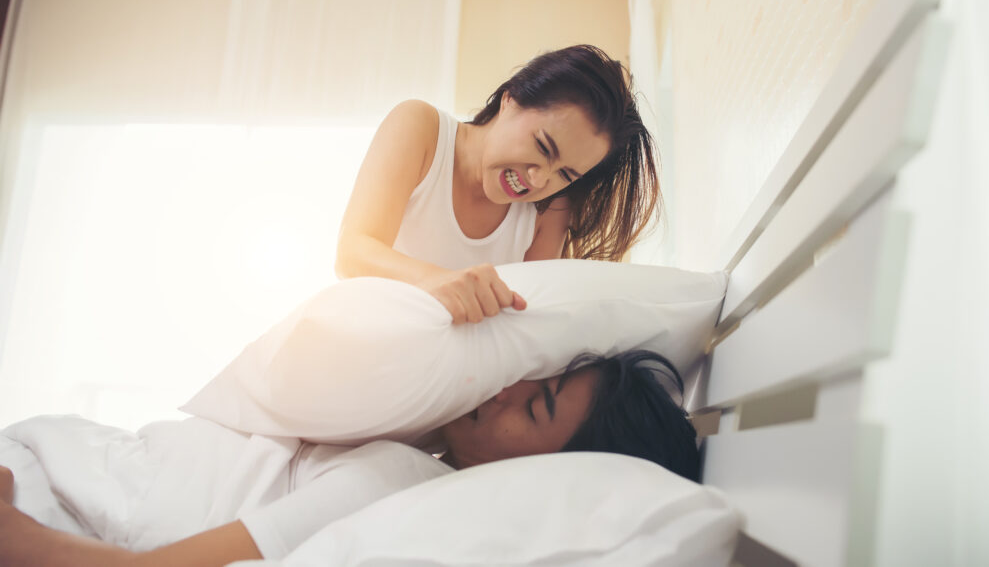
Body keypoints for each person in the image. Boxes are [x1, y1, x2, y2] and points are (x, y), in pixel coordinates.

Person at [0, 350, 697, 567]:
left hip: (51, 494)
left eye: (536, 406)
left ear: (551, 474)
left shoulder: (403, 488)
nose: (506, 387)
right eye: (532, 374)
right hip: (72, 462)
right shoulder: (417, 449)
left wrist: (18, 537)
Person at [335, 44, 661, 324]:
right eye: (544, 147)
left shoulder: (551, 209)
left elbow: (531, 317)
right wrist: (435, 281)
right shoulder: (421, 129)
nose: (538, 179)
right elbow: (352, 254)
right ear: (511, 99)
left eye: (564, 175)